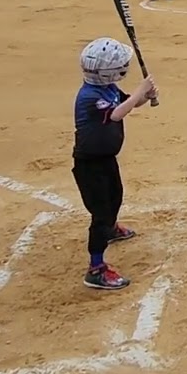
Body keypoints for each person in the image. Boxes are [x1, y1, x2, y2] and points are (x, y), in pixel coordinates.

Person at [72, 37, 158, 290]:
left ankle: (110, 228)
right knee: (100, 213)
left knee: (116, 197)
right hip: (90, 166)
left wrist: (145, 96)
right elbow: (117, 113)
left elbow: (126, 103)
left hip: (106, 159)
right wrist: (141, 92)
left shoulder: (107, 88)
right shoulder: (89, 96)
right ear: (108, 70)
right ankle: (96, 269)